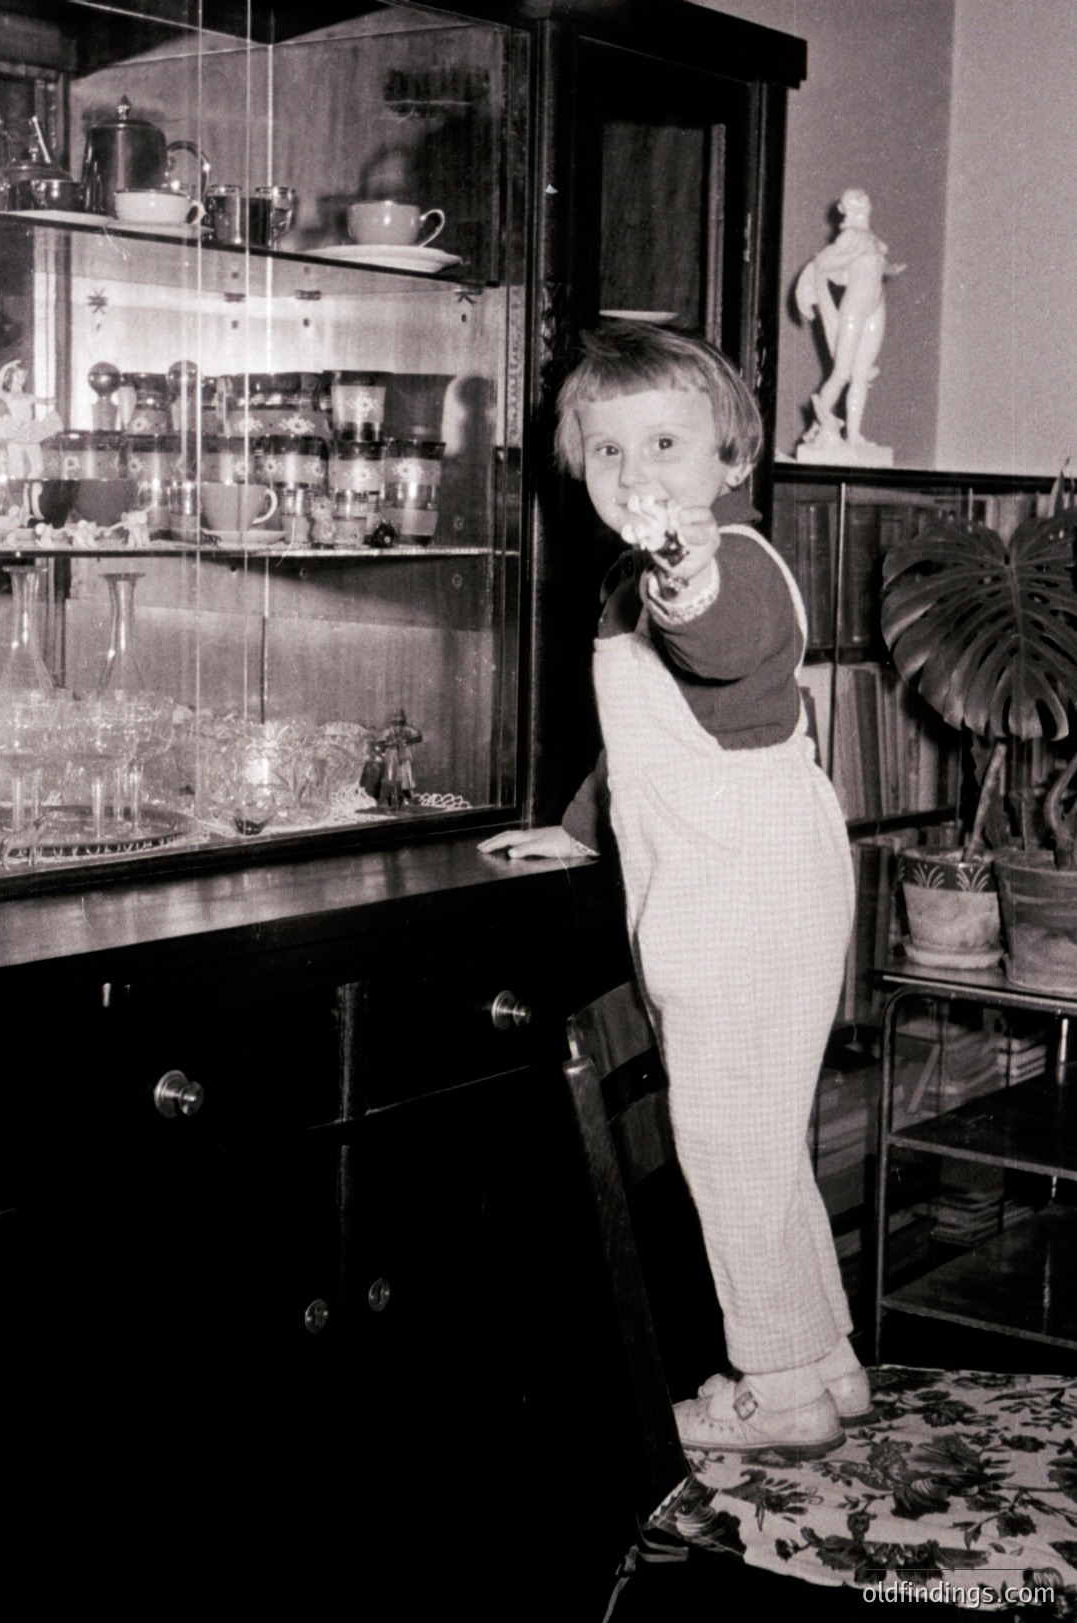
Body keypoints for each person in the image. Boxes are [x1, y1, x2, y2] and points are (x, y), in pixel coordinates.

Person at [479, 320, 867, 1457]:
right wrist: (577, 831)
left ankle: (779, 1392)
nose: (637, 474)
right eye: (609, 452)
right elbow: (647, 737)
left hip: (741, 885)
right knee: (760, 1134)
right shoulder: (627, 582)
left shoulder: (727, 567)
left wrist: (684, 575)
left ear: (733, 461)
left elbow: (719, 643)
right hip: (734, 873)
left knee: (724, 1139)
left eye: (665, 445)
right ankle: (823, 1358)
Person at [795, 188, 902, 454]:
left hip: (875, 306)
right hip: (854, 306)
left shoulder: (873, 240)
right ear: (849, 209)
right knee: (842, 372)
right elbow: (826, 264)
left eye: (864, 201)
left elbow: (874, 266)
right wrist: (846, 257)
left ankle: (854, 435)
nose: (862, 205)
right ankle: (817, 424)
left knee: (861, 374)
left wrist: (890, 268)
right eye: (856, 202)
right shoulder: (849, 237)